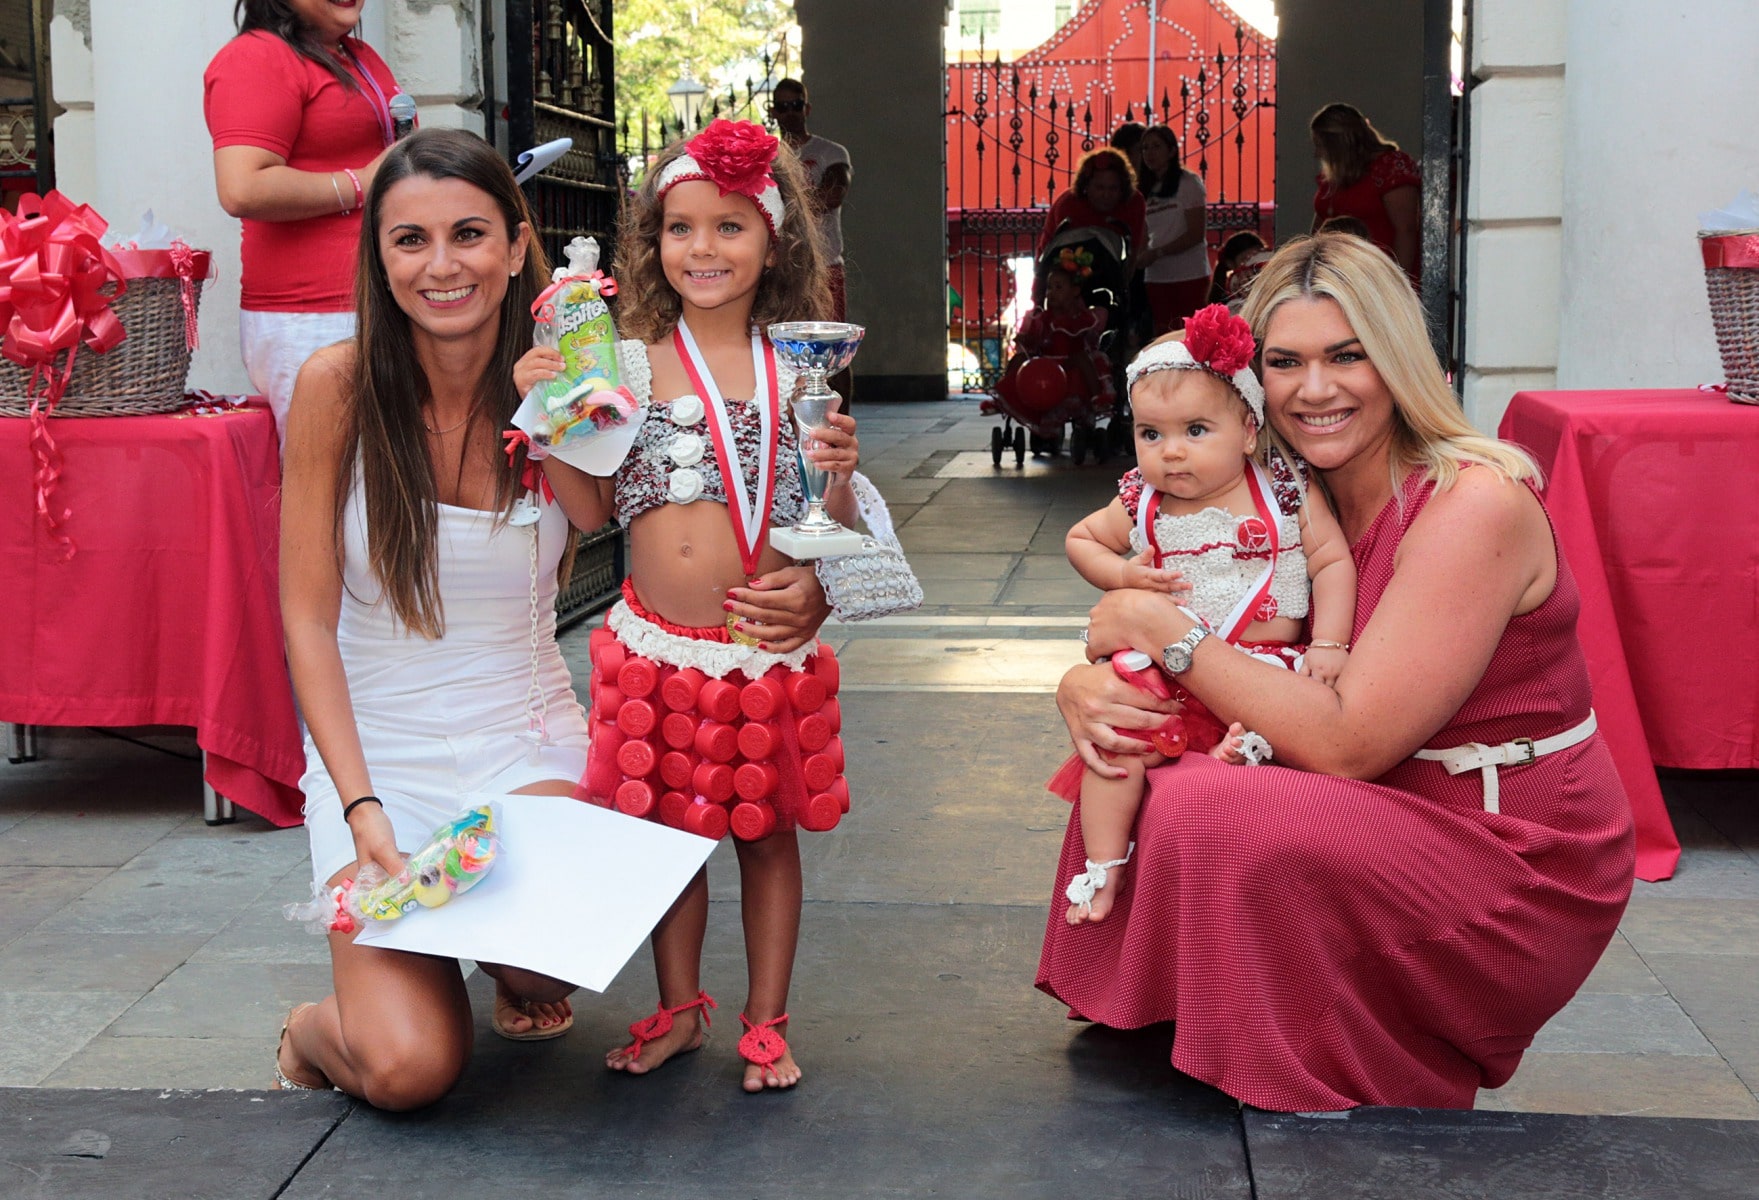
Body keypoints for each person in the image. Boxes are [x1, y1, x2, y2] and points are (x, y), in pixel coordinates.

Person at [272, 128, 839, 1109]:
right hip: (380, 760)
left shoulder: (582, 380)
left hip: (520, 744)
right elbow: (306, 623)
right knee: (408, 1071)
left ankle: (493, 963)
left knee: (550, 968)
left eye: (468, 234)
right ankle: (315, 1028)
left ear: (514, 243)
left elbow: (716, 491)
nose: (442, 265)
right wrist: (362, 808)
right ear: (379, 257)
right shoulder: (337, 385)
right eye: (410, 240)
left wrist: (813, 582)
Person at [1037, 233, 1634, 1111]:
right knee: (1128, 756)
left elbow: (1348, 743)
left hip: (1502, 850)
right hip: (1376, 800)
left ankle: (1315, 1054)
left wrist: (1162, 631)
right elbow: (1198, 636)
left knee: (1208, 805)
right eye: (1285, 362)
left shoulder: (1473, 504)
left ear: (1397, 361)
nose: (1313, 390)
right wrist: (1086, 687)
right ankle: (1180, 1020)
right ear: (1250, 384)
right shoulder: (1274, 492)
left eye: (1346, 356)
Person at [516, 118, 860, 1094]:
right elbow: (591, 509)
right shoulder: (624, 363)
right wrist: (549, 421)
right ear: (653, 242)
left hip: (761, 646)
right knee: (662, 833)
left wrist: (838, 481)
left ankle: (766, 1021)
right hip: (655, 649)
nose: (702, 249)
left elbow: (832, 522)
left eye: (729, 227)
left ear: (775, 243)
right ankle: (677, 1010)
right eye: (680, 228)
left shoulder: (800, 368)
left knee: (766, 837)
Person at [1053, 304, 1355, 924]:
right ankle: (1104, 866)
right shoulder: (1143, 501)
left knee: (1279, 740)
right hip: (1171, 669)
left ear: (1247, 430)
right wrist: (1124, 576)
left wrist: (1330, 643)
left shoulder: (1284, 489)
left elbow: (1331, 562)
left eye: (1195, 430)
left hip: (1264, 668)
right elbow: (1081, 539)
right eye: (1151, 434)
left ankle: (1222, 762)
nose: (1171, 453)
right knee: (1115, 750)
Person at [205, 0, 408, 447]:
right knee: (334, 479)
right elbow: (242, 188)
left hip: (377, 302)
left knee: (384, 477)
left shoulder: (359, 55)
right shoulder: (257, 56)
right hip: (313, 315)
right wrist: (362, 183)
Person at [995, 259, 1114, 449]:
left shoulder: (1080, 317)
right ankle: (1004, 395)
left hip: (1069, 361)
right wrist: (1026, 340)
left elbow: (1081, 337)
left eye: (1058, 287)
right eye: (1049, 288)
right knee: (1019, 359)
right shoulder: (1041, 318)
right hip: (1045, 364)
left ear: (1075, 291)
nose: (1051, 293)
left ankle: (1096, 397)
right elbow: (1035, 341)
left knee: (1082, 358)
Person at [770, 79, 852, 324]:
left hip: (825, 266)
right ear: (773, 112)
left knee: (831, 343)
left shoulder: (831, 152)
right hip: (781, 270)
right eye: (783, 107)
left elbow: (833, 195)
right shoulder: (768, 157)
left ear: (807, 108)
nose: (790, 113)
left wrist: (782, 202)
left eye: (796, 105)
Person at [1309, 103, 1421, 281]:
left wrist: (1398, 281)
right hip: (1338, 275)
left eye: (1321, 146)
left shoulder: (1390, 167)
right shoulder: (1334, 174)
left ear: (1340, 144)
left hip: (1378, 274)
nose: (1317, 154)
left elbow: (1406, 230)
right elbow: (1320, 222)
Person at [1134, 126, 1209, 336]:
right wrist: (1140, 258)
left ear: (1172, 151)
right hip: (1157, 276)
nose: (1150, 153)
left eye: (1156, 146)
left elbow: (1195, 234)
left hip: (1189, 274)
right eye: (1145, 148)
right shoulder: (1144, 189)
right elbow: (1144, 234)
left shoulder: (1188, 183)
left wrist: (1159, 252)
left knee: (1191, 335)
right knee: (1164, 336)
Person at [1036, 147, 1147, 267]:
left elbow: (1133, 252)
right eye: (1100, 188)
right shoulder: (1068, 205)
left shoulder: (1134, 203)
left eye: (1113, 188)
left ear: (1123, 189)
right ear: (1086, 186)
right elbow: (1052, 259)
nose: (1106, 195)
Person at [1207, 231, 1266, 307]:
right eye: (1246, 259)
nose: (1254, 266)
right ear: (1230, 264)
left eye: (1259, 257)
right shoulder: (1229, 304)